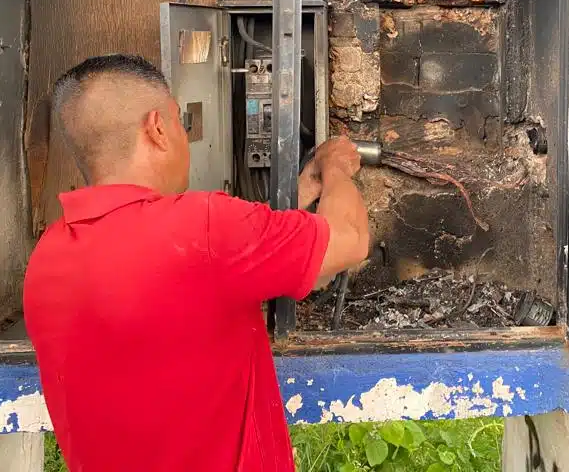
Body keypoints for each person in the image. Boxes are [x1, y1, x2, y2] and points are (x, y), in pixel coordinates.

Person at [23, 53, 369, 472]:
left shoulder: (48, 258)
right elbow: (350, 241)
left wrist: (308, 183)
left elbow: (219, 263)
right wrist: (335, 169)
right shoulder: (204, 229)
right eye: (181, 123)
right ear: (157, 128)